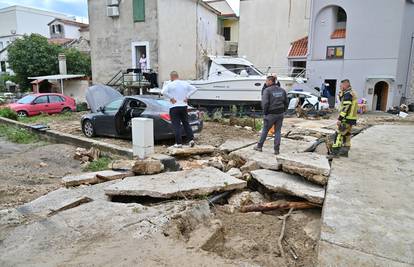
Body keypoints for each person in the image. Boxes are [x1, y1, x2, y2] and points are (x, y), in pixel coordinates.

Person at [161, 71, 197, 148]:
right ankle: (191, 140)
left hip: (174, 107)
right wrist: (187, 96)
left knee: (176, 125)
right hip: (184, 106)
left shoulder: (170, 84)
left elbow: (163, 92)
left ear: (171, 77)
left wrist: (171, 98)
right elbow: (194, 89)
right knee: (186, 123)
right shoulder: (184, 83)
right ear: (177, 76)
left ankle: (179, 143)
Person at [254, 76, 289, 155]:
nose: (265, 82)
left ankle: (259, 147)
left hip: (270, 114)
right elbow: (286, 102)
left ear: (270, 81)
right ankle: (276, 150)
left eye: (266, 81)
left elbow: (265, 103)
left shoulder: (267, 90)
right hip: (280, 113)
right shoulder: (282, 90)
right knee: (278, 131)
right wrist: (284, 110)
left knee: (265, 130)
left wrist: (265, 113)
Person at [331, 79, 358, 157]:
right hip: (351, 118)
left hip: (346, 118)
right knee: (347, 135)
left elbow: (345, 107)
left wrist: (340, 119)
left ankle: (334, 153)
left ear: (345, 85)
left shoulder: (347, 94)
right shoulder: (351, 93)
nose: (340, 87)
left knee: (339, 133)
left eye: (341, 86)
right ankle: (344, 152)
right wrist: (340, 96)